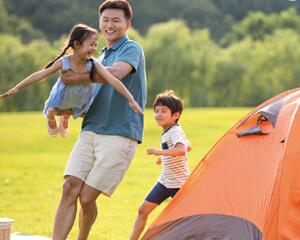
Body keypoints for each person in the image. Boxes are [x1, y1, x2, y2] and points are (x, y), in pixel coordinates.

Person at [52, 0, 147, 240]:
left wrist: (76, 77)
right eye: (105, 20)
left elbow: (115, 74)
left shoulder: (131, 48)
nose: (109, 25)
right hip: (91, 128)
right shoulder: (98, 53)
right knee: (69, 187)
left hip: (120, 133)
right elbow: (88, 95)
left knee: (86, 197)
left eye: (116, 20)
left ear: (128, 24)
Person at [0, 23, 142, 138]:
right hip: (63, 97)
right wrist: (17, 88)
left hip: (79, 99)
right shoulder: (64, 62)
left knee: (74, 112)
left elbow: (113, 80)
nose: (94, 48)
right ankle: (51, 118)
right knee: (54, 110)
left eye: (95, 45)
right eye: (91, 44)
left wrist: (131, 99)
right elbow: (41, 74)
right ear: (77, 44)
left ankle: (66, 118)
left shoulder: (93, 63)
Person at [130, 90, 191, 240]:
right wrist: (163, 159)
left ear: (175, 115)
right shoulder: (169, 131)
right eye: (156, 111)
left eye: (163, 111)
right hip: (165, 182)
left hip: (180, 185)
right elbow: (187, 146)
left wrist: (159, 152)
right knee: (143, 210)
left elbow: (181, 150)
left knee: (186, 220)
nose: (158, 114)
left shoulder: (174, 131)